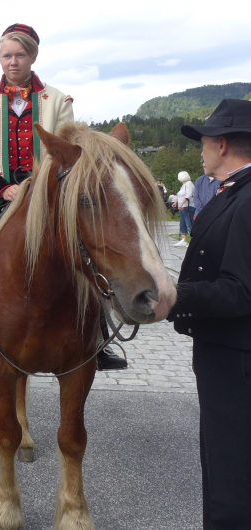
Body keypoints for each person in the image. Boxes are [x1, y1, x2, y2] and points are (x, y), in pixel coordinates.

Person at [0, 23, 127, 371]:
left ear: (33, 56)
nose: (13, 62)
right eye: (6, 56)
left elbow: (68, 149)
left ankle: (100, 337)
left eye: (20, 55)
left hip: (50, 194)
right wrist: (1, 187)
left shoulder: (58, 100)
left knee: (92, 249)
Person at [170, 98, 251, 529]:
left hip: (236, 358)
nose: (200, 151)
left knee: (231, 476)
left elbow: (240, 292)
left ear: (221, 144)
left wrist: (173, 296)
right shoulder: (233, 191)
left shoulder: (247, 198)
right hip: (226, 352)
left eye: (203, 142)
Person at [174, 171, 195, 246]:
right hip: (182, 207)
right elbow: (181, 195)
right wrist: (176, 202)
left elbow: (189, 194)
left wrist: (182, 203)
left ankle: (193, 240)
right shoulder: (183, 185)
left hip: (188, 207)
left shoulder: (189, 184)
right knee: (183, 223)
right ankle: (184, 239)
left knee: (189, 223)